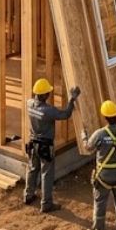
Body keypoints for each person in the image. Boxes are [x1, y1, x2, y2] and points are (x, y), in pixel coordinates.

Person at [24, 78, 80, 212]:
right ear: (43, 95)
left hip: (33, 143)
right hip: (44, 146)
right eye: (47, 92)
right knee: (46, 174)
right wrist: (72, 99)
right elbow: (66, 114)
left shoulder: (29, 103)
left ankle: (28, 195)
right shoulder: (48, 110)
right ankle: (46, 203)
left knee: (32, 169)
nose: (49, 94)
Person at [83, 99, 116, 230]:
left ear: (104, 117)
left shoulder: (99, 134)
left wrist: (84, 136)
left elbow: (87, 148)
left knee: (100, 204)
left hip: (103, 177)